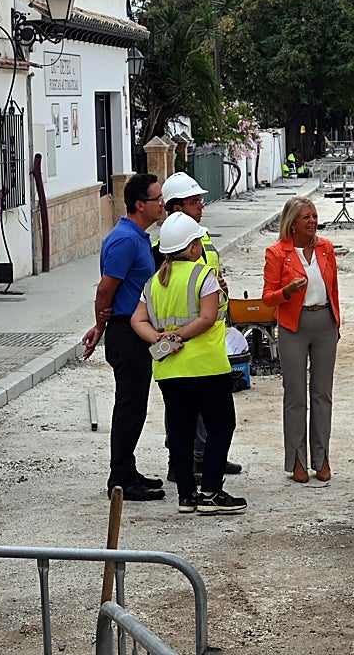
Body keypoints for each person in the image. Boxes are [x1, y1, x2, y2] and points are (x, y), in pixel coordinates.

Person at [132, 213, 246, 515]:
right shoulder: (202, 275)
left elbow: (137, 320)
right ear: (193, 247)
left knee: (181, 431)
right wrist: (179, 335)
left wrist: (160, 339)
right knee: (221, 425)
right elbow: (207, 318)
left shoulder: (154, 282)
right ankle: (210, 492)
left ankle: (186, 496)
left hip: (169, 369)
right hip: (206, 365)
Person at [81, 173, 167, 502]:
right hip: (126, 332)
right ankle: (120, 478)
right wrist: (99, 325)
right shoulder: (126, 240)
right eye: (157, 198)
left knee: (136, 405)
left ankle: (128, 471)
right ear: (140, 204)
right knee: (129, 406)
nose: (162, 203)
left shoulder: (138, 236)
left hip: (135, 331)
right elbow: (105, 289)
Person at [152, 172, 241, 481]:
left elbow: (208, 280)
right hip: (182, 343)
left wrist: (220, 290)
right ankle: (182, 464)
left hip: (207, 342)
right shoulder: (162, 249)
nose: (201, 206)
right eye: (194, 202)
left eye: (200, 200)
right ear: (177, 208)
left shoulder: (202, 240)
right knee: (182, 414)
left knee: (205, 414)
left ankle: (206, 458)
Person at [262, 197, 340, 483]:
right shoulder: (276, 252)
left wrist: (336, 323)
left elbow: (334, 289)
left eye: (314, 216)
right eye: (306, 217)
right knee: (295, 395)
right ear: (292, 222)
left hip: (324, 323)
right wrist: (287, 291)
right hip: (293, 327)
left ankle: (322, 458)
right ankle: (297, 459)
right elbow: (267, 297)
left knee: (322, 393)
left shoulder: (325, 247)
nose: (312, 221)